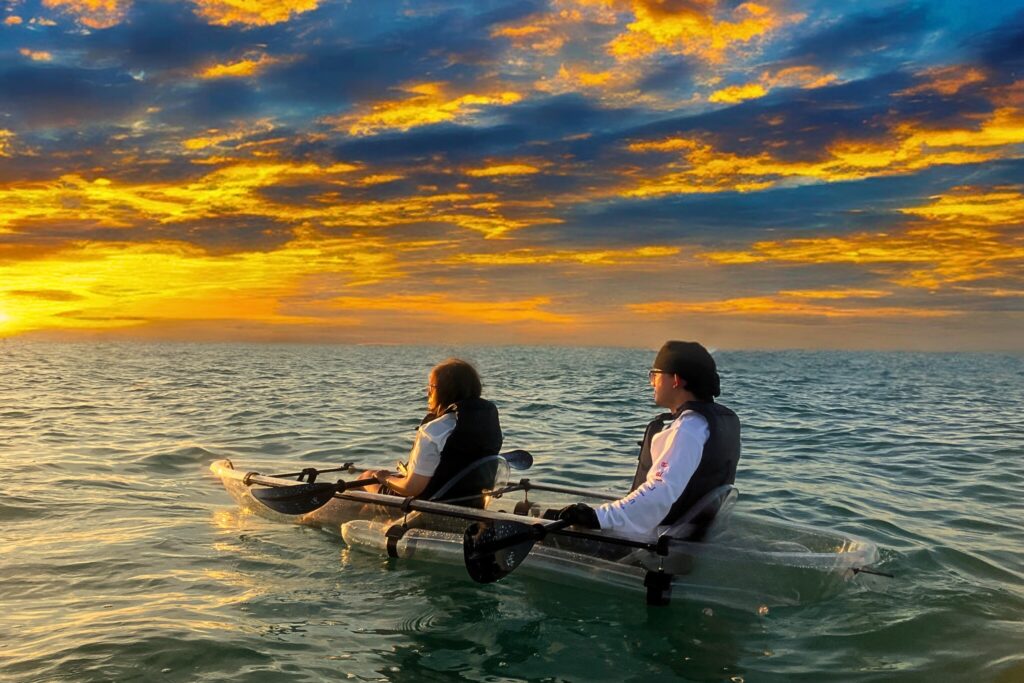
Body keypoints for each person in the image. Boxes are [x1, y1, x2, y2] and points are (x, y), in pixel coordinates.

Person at [552, 341, 741, 541]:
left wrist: (596, 517)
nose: (652, 382)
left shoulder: (687, 429)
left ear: (676, 379)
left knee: (546, 519)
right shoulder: (713, 422)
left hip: (656, 540)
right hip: (689, 534)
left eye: (655, 374)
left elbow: (659, 492)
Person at [361, 358, 503, 505]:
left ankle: (337, 522)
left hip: (428, 507)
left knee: (366, 477)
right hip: (470, 504)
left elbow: (412, 488)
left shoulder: (433, 430)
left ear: (443, 391)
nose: (428, 392)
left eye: (431, 386)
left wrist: (385, 478)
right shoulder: (486, 427)